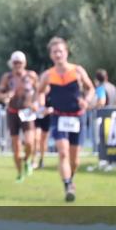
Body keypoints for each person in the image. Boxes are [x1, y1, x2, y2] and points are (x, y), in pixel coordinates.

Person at [35, 37, 94, 202]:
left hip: (76, 117)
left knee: (75, 160)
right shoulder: (48, 75)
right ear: (51, 55)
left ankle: (70, 178)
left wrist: (86, 101)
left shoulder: (77, 71)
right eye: (55, 52)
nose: (58, 54)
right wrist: (42, 105)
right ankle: (67, 186)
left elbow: (91, 88)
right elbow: (39, 92)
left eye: (60, 51)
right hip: (58, 116)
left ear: (66, 53)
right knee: (62, 153)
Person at [0, 51, 39, 181]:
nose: (18, 65)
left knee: (30, 142)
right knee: (16, 145)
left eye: (20, 62)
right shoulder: (7, 77)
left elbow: (40, 90)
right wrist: (5, 96)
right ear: (11, 64)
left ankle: (27, 160)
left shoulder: (31, 75)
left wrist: (36, 103)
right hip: (13, 112)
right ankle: (20, 173)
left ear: (24, 63)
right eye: (15, 63)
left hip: (27, 112)